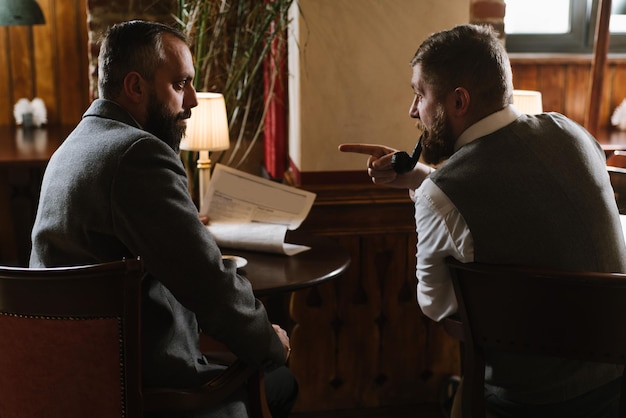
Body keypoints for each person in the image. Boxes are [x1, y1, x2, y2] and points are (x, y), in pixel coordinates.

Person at [340, 24, 626, 418]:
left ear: (459, 101)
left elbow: (436, 304)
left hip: (523, 403)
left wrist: (431, 190)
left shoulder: (443, 195)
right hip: (616, 387)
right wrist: (423, 179)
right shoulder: (571, 132)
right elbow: (520, 196)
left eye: (419, 95)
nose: (412, 110)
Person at [30, 20, 297, 418]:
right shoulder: (137, 154)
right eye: (180, 84)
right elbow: (208, 282)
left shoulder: (74, 145)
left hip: (67, 379)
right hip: (138, 392)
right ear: (135, 87)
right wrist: (271, 345)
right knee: (275, 383)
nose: (191, 101)